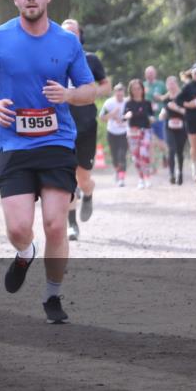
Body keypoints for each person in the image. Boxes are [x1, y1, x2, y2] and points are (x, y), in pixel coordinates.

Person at [0, 0, 96, 324]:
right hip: (15, 144)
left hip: (56, 141)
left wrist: (69, 93)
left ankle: (52, 295)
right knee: (18, 228)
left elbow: (89, 92)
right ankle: (25, 253)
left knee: (56, 224)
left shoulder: (67, 42)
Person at [61, 19, 111, 241]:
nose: (71, 36)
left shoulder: (90, 59)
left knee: (83, 178)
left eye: (74, 32)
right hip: (62, 124)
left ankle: (88, 193)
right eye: (66, 33)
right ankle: (72, 224)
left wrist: (89, 93)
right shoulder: (54, 59)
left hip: (86, 123)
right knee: (68, 176)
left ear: (80, 35)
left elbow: (106, 86)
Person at [123, 79, 156, 188]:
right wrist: (127, 115)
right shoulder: (128, 103)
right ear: (131, 91)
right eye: (134, 89)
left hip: (145, 131)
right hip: (133, 132)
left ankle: (147, 177)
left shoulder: (147, 103)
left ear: (142, 89)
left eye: (138, 88)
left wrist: (152, 118)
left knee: (143, 153)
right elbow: (124, 115)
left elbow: (151, 115)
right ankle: (141, 178)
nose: (137, 91)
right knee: (136, 157)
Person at [100, 83, 129, 187]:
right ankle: (117, 171)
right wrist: (112, 114)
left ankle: (121, 178)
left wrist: (124, 120)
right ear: (114, 93)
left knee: (122, 155)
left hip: (124, 132)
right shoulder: (109, 103)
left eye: (121, 93)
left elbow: (131, 115)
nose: (119, 95)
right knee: (114, 156)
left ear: (124, 93)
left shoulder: (127, 102)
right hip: (111, 132)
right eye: (117, 93)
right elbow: (102, 117)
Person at [160, 75, 188, 185]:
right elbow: (163, 111)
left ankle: (180, 172)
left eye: (173, 84)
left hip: (182, 127)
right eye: (169, 84)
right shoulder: (165, 99)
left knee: (179, 151)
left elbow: (188, 112)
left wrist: (177, 108)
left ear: (177, 85)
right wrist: (162, 114)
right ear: (167, 86)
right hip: (169, 127)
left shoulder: (183, 97)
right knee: (171, 149)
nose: (171, 86)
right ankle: (171, 174)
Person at [144, 66, 168, 172]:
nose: (149, 75)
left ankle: (165, 156)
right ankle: (152, 166)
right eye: (148, 73)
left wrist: (161, 98)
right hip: (147, 118)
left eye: (151, 73)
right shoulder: (143, 85)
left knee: (162, 143)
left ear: (155, 74)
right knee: (150, 142)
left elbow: (168, 96)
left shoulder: (161, 84)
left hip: (159, 116)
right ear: (145, 75)